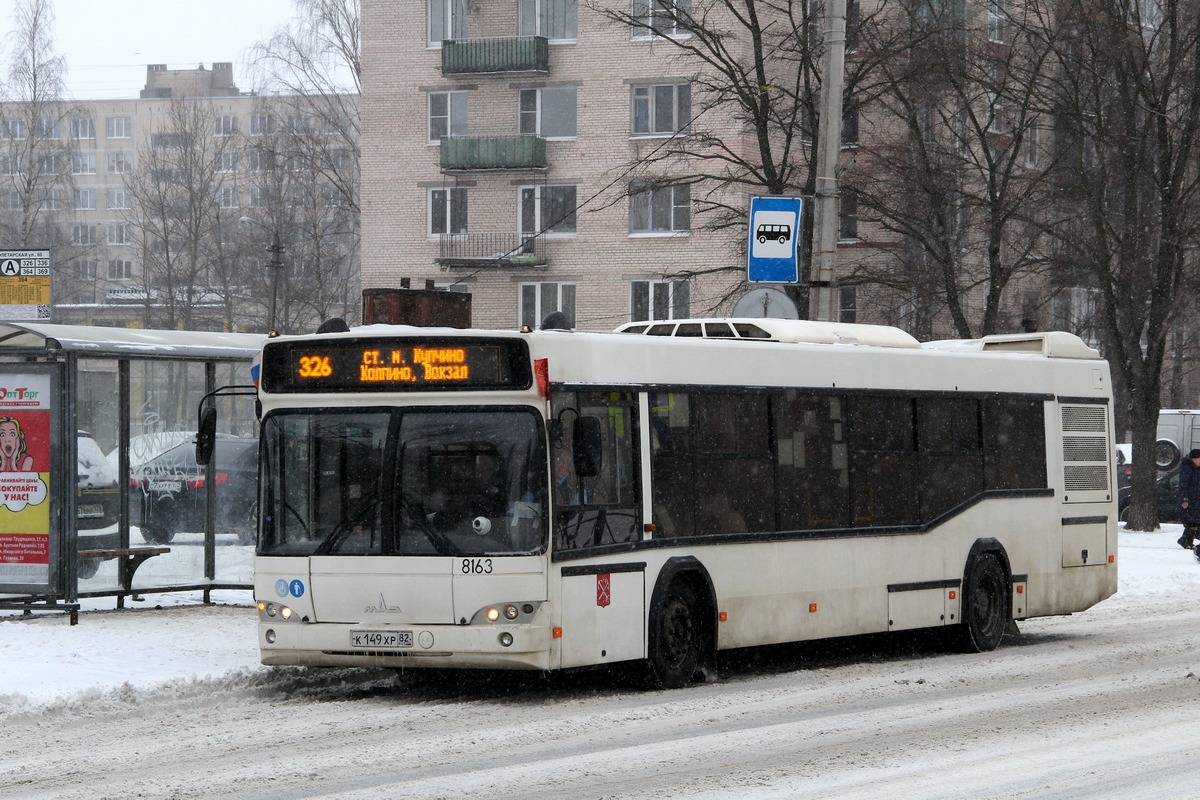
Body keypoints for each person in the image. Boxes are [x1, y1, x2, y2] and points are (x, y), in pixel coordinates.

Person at [1177, 449, 1200, 549]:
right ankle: (1185, 540)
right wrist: (1184, 499)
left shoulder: (1196, 468)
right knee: (1192, 520)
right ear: (1194, 459)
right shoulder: (1187, 468)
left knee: (1194, 521)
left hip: (1196, 498)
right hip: (1191, 498)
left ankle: (1187, 540)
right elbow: (1184, 485)